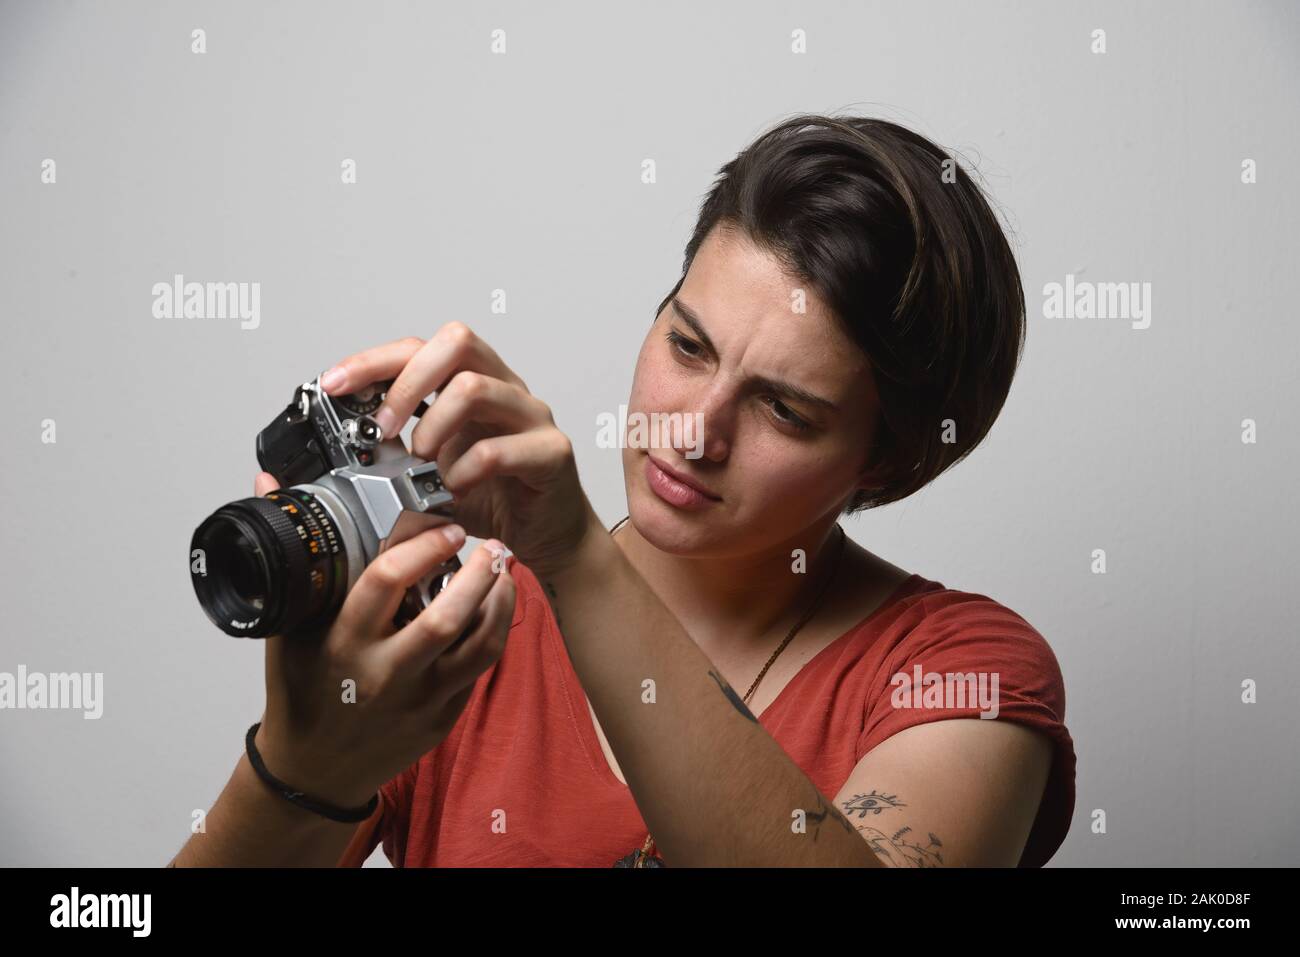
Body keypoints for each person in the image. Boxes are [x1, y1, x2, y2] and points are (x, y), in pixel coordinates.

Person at [169, 113, 1075, 868]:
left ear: (886, 461)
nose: (695, 429)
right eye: (687, 345)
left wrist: (571, 552)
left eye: (785, 410)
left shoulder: (960, 668)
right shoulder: (462, 626)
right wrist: (303, 760)